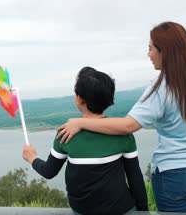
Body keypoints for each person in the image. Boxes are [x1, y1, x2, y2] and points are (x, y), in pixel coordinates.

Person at [57, 22, 186, 214]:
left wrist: (79, 121)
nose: (149, 54)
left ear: (166, 52)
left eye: (151, 48)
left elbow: (127, 126)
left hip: (174, 175)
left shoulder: (161, 88)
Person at [22, 67, 148, 215]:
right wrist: (143, 210)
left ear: (79, 99)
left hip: (82, 211)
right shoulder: (121, 133)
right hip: (122, 209)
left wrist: (31, 157)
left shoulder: (66, 133)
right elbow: (135, 178)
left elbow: (49, 171)